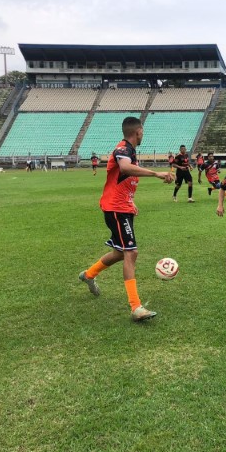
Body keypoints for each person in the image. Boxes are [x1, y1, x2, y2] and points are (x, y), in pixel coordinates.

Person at [79, 116, 174, 322]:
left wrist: (131, 202)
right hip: (115, 209)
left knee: (120, 253)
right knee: (131, 252)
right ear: (138, 131)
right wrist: (156, 173)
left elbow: (124, 181)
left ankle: (88, 274)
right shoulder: (123, 149)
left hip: (122, 208)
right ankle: (135, 307)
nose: (143, 135)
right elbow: (124, 168)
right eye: (143, 131)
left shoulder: (130, 152)